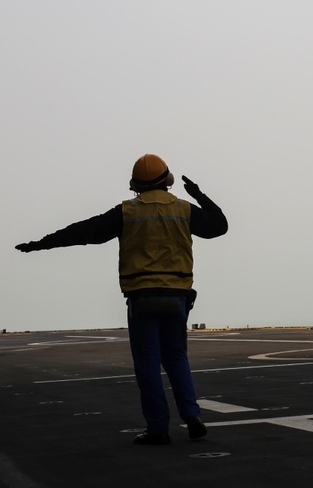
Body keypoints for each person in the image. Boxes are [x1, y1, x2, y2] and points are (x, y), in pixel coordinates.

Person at [15, 154, 228, 446]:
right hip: (177, 296)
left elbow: (83, 231)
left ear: (135, 184)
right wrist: (199, 195)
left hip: (141, 297)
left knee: (148, 364)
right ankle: (192, 415)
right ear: (168, 180)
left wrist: (41, 243)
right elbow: (219, 226)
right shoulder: (184, 209)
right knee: (176, 357)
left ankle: (157, 428)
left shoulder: (126, 212)